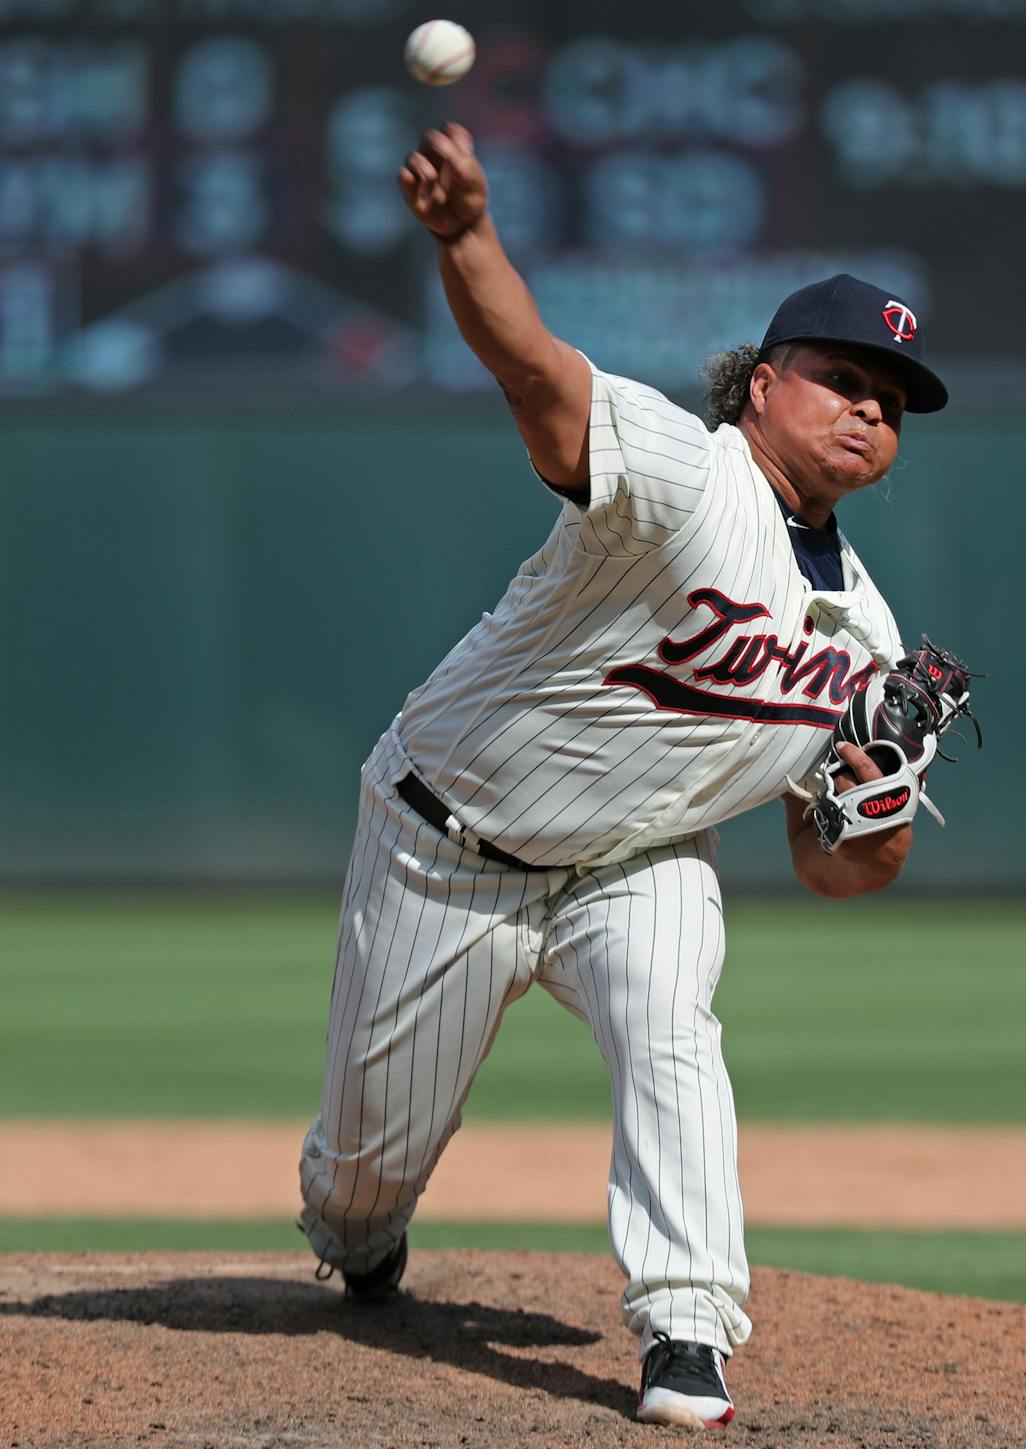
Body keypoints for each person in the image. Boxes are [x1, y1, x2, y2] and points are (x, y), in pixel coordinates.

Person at [296, 121, 951, 1430]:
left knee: (673, 1031)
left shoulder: (867, 639)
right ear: (762, 383)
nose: (872, 405)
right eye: (843, 375)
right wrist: (466, 234)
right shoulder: (682, 475)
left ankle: (688, 1329)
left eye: (893, 395)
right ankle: (364, 1234)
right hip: (446, 838)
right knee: (361, 1178)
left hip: (640, 862)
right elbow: (538, 376)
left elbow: (835, 870)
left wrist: (877, 799)